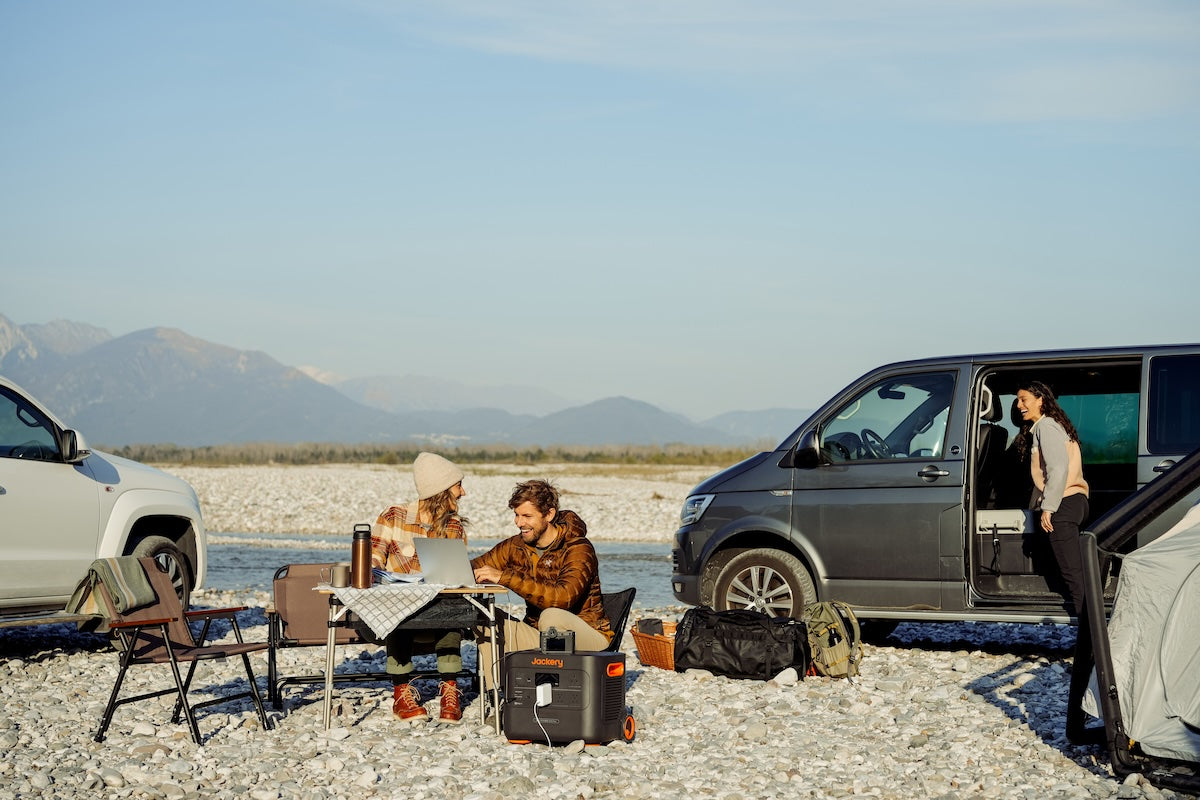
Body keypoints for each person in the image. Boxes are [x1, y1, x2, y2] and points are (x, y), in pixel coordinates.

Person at [471, 479, 613, 686]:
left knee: (551, 616)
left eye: (527, 516)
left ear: (549, 515)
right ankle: (500, 697)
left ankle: (554, 692)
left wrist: (504, 577)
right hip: (540, 634)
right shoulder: (515, 545)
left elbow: (562, 599)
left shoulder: (579, 548)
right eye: (517, 515)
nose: (519, 523)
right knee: (484, 617)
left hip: (589, 637)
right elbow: (477, 566)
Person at [370, 451, 468, 724]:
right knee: (400, 605)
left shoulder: (454, 526)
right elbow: (373, 560)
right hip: (396, 610)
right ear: (441, 490)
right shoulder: (394, 516)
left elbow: (454, 575)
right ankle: (401, 692)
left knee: (452, 606)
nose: (464, 493)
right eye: (458, 485)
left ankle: (450, 690)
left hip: (437, 608)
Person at [1015, 380, 1090, 615]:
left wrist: (1048, 507)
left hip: (1063, 504)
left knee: (1074, 576)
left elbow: (1058, 469)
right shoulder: (1051, 426)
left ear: (1041, 400)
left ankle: (1092, 643)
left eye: (1023, 399)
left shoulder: (1046, 426)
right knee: (1075, 573)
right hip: (1073, 501)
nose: (1018, 405)